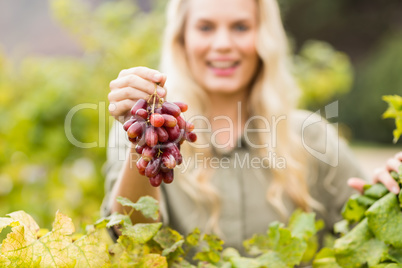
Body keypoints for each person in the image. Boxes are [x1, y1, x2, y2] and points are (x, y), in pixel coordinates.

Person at [102, 0, 401, 254]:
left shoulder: (312, 135)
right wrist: (144, 145)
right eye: (205, 27)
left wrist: (391, 197)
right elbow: (133, 242)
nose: (223, 44)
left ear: (264, 38)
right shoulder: (145, 132)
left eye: (241, 27)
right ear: (182, 39)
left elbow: (369, 238)